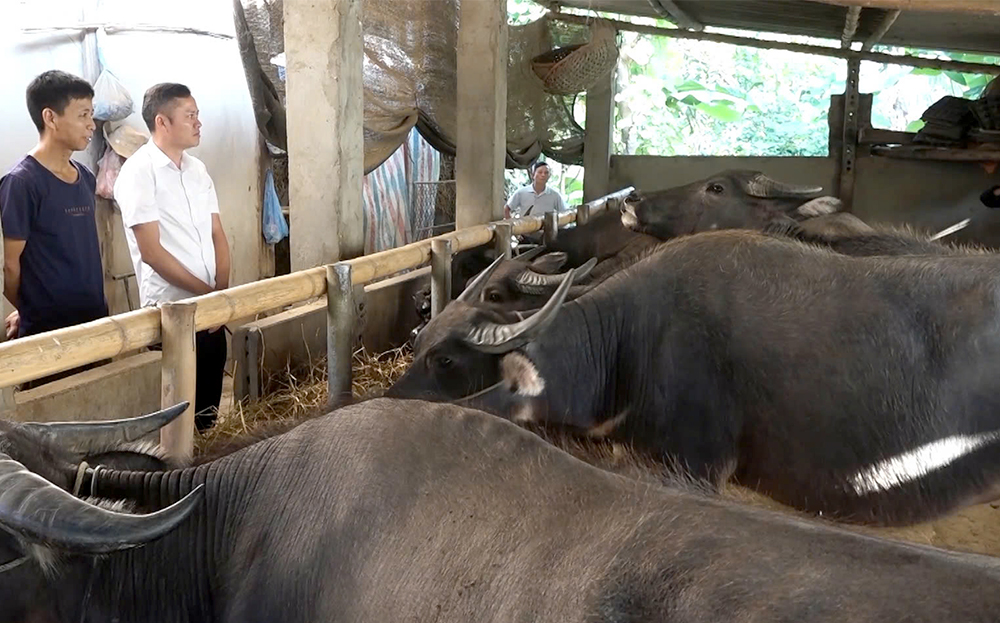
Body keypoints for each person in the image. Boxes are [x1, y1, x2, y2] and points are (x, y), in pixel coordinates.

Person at [114, 82, 231, 431]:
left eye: (198, 115)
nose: (198, 123)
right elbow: (151, 252)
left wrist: (221, 293)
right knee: (175, 413)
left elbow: (217, 234)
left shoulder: (198, 170)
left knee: (208, 408)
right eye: (190, 116)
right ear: (162, 122)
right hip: (172, 311)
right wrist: (206, 294)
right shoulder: (138, 172)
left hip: (210, 309)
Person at [1, 70, 110, 388]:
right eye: (83, 115)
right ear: (50, 117)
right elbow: (11, 266)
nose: (92, 124)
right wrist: (30, 310)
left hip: (94, 324)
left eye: (91, 114)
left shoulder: (86, 177)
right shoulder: (21, 183)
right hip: (49, 339)